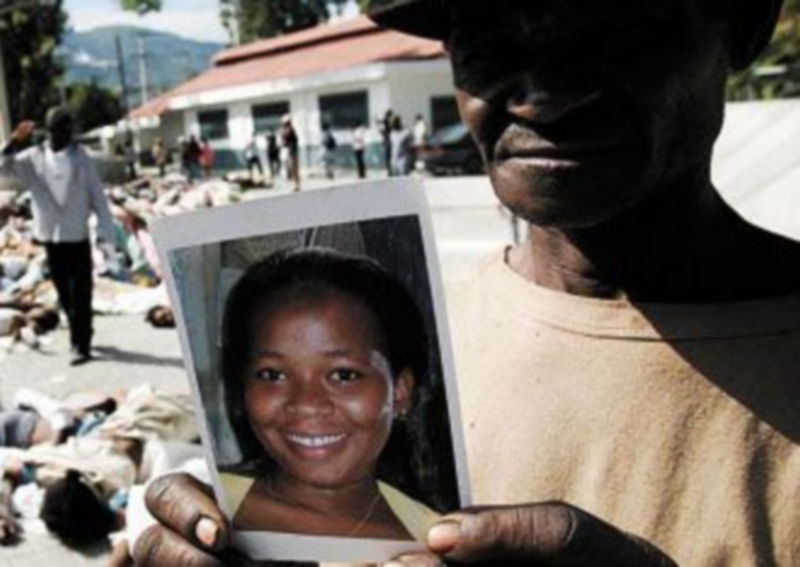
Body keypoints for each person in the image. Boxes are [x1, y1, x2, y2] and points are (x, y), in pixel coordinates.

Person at [134, 1, 800, 566]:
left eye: (611, 26)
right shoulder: (420, 339)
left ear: (745, 23)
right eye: (489, 40)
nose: (542, 94)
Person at [217, 248, 452, 540]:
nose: (307, 405)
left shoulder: (439, 537)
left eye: (344, 375)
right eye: (273, 375)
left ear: (400, 392)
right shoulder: (210, 508)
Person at [1, 107, 117, 365]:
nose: (69, 134)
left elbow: (98, 197)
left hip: (77, 235)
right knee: (64, 294)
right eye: (64, 129)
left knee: (81, 294)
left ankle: (81, 344)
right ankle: (80, 331)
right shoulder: (32, 158)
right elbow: (3, 169)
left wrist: (104, 233)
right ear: (52, 131)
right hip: (51, 238)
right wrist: (13, 142)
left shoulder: (81, 158)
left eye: (70, 128)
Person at [281, 115, 301, 192]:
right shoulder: (289, 130)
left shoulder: (289, 130)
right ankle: (295, 184)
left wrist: (282, 143)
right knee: (292, 168)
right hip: (290, 151)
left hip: (292, 151)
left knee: (294, 168)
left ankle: (296, 185)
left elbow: (285, 140)